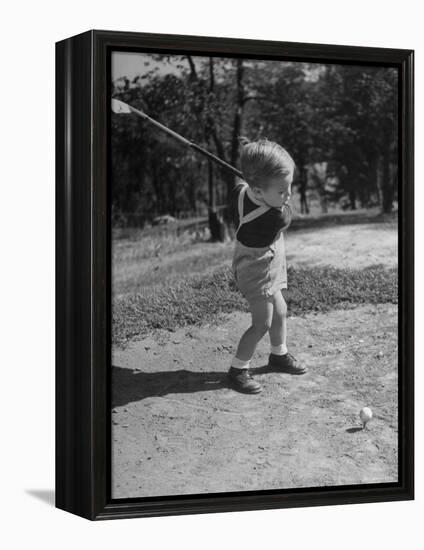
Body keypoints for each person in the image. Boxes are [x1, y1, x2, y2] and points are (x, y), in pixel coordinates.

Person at [228, 138, 307, 394]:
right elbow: (288, 215)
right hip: (256, 269)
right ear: (259, 191)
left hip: (265, 262)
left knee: (280, 310)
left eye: (289, 188)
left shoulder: (241, 192)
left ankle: (278, 355)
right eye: (282, 191)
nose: (288, 196)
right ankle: (238, 369)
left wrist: (254, 162)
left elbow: (240, 183)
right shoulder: (274, 216)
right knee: (262, 322)